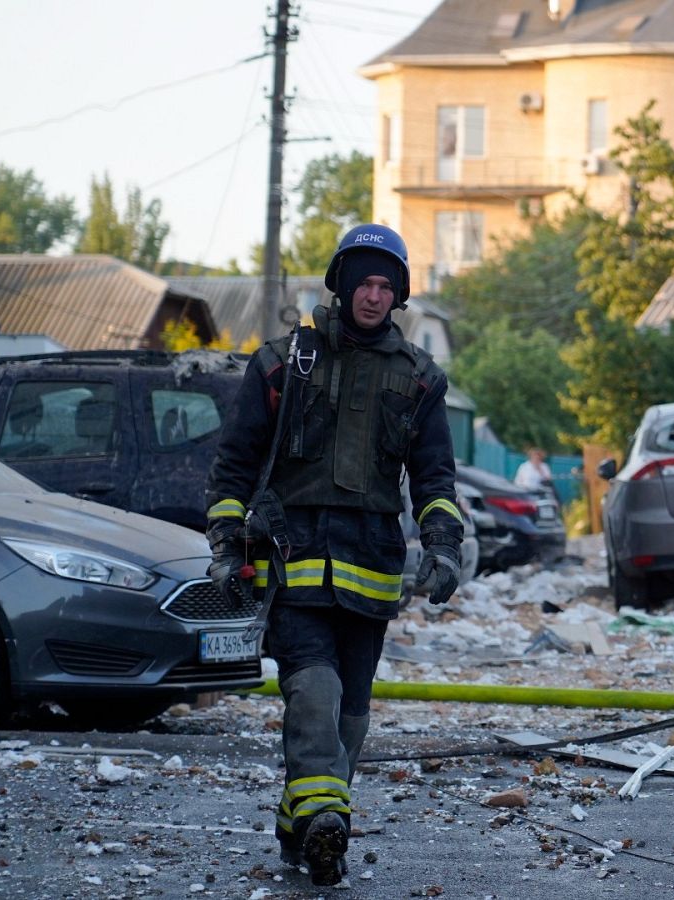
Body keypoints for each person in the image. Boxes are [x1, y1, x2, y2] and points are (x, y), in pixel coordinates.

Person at [204, 224, 463, 887]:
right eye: (364, 283)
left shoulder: (420, 380)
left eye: (386, 286)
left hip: (371, 572)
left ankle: (306, 820)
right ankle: (331, 828)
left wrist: (444, 547)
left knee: (351, 714)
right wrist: (227, 546)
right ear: (341, 286)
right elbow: (233, 467)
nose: (374, 296)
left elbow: (435, 480)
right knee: (313, 689)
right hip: (292, 562)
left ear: (397, 295)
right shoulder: (284, 363)